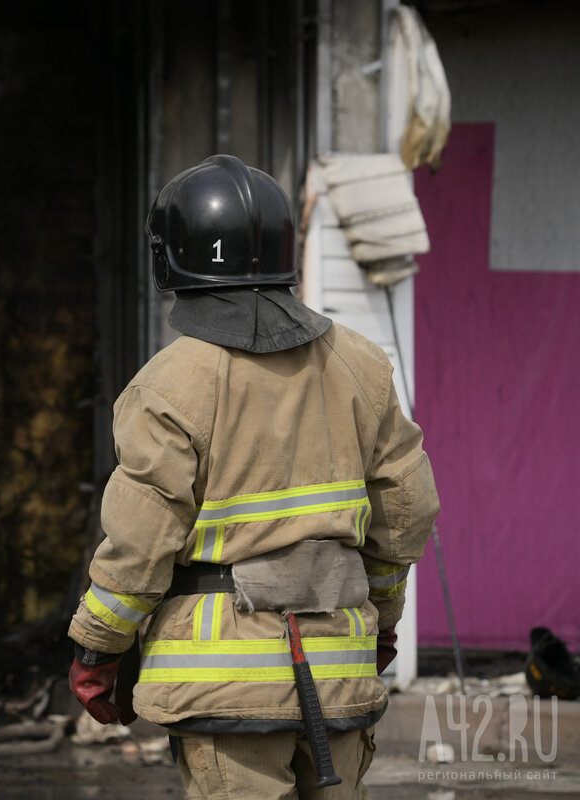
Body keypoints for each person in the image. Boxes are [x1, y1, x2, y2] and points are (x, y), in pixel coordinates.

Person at [67, 155, 440, 799]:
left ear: (173, 259)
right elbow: (404, 514)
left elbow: (140, 544)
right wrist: (380, 621)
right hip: (339, 672)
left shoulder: (168, 386)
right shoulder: (361, 367)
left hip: (223, 686)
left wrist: (97, 648)